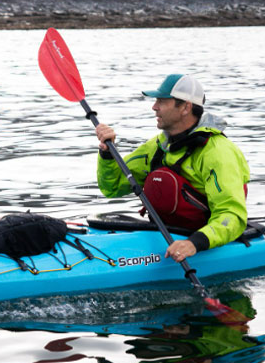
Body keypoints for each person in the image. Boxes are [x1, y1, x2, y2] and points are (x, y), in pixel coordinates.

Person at [95, 73, 250, 263]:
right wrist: (108, 154)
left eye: (162, 101)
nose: (154, 107)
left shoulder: (218, 153)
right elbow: (112, 188)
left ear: (185, 107)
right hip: (164, 235)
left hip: (202, 243)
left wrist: (194, 243)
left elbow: (232, 215)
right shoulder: (158, 147)